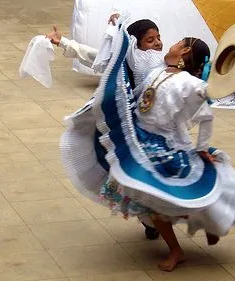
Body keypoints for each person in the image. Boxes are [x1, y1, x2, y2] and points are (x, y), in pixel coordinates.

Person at [60, 22, 235, 272]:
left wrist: (201, 148)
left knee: (160, 203)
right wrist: (115, 32)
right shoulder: (157, 69)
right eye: (153, 39)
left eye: (176, 42)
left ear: (185, 52)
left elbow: (206, 115)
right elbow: (117, 62)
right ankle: (205, 226)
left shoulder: (189, 84)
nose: (166, 44)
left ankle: (182, 245)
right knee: (156, 203)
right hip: (141, 140)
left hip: (163, 149)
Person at [50, 14, 165, 241]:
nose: (158, 43)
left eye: (158, 37)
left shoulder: (162, 66)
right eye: (151, 40)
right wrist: (63, 42)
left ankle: (155, 219)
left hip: (155, 134)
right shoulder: (122, 68)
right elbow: (93, 56)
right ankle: (150, 220)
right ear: (136, 44)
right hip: (130, 134)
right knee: (136, 179)